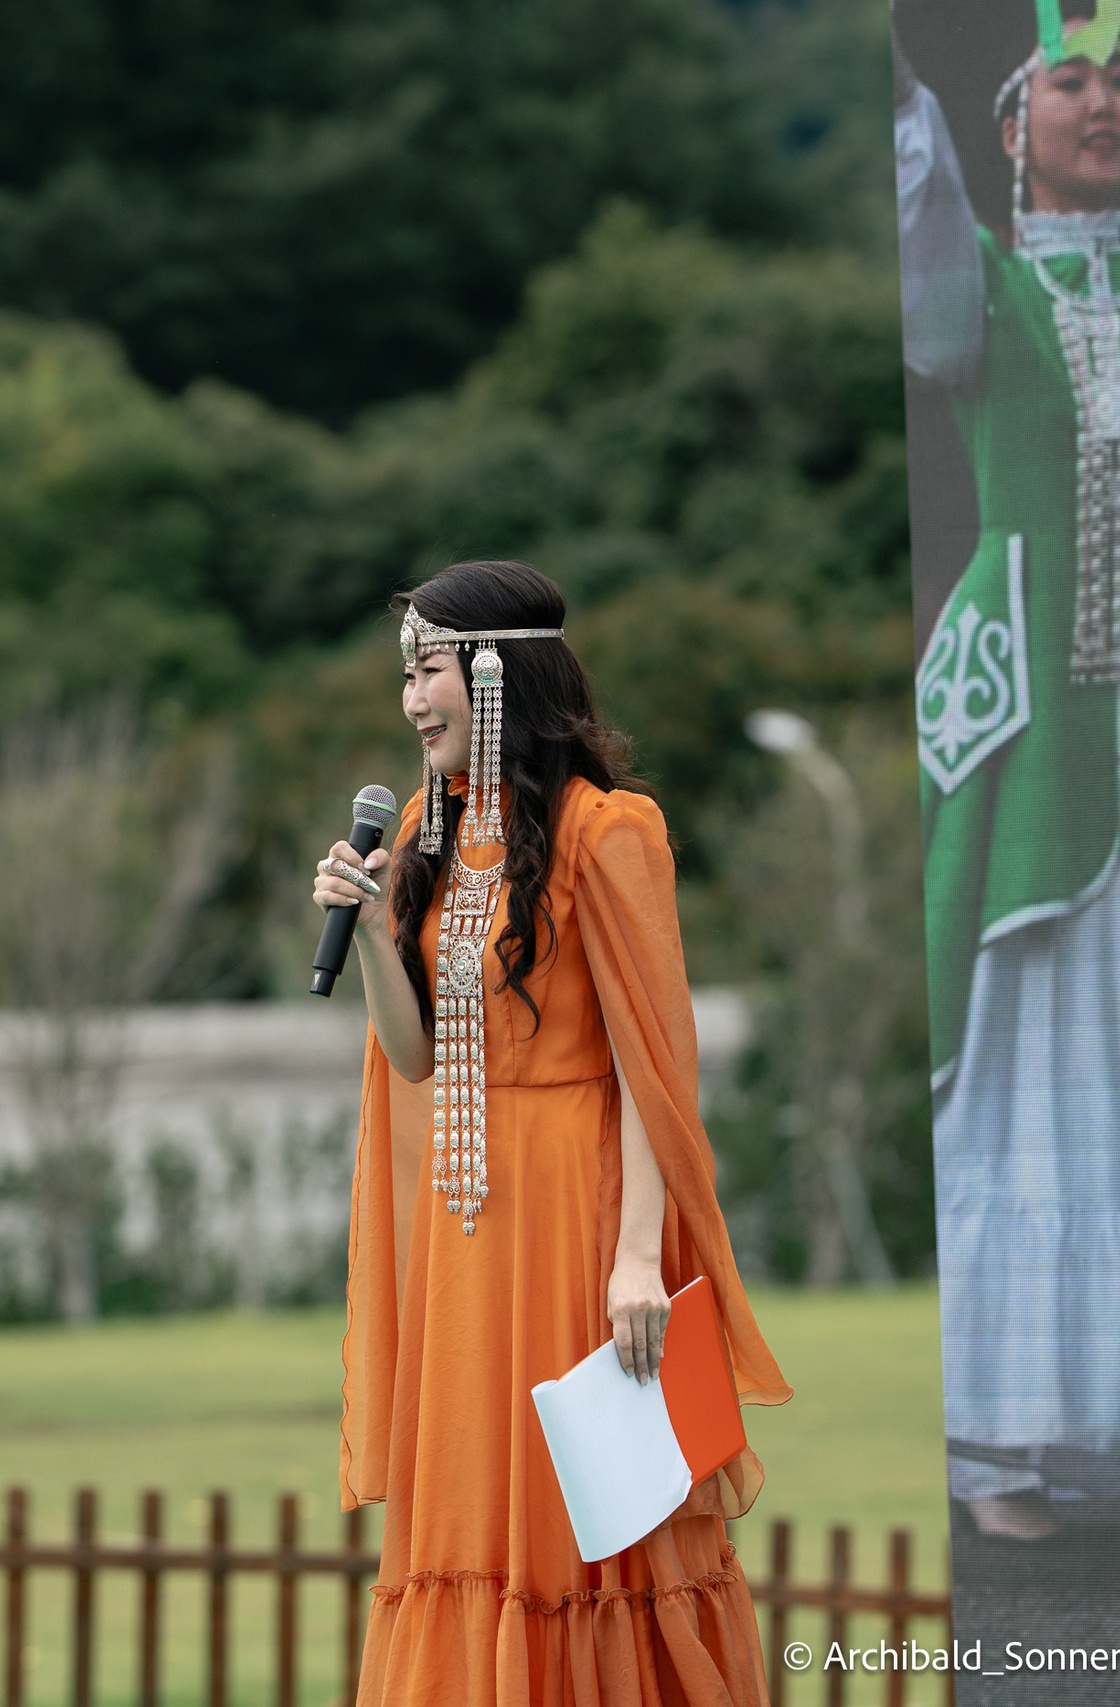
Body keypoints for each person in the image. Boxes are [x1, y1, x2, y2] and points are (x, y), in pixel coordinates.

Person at [313, 559, 790, 1704]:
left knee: (590, 1514)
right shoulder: (428, 827)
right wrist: (376, 930)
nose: (409, 700)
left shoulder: (608, 830)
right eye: (405, 674)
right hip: (464, 1240)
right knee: (472, 1511)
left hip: (578, 1222)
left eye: (425, 671)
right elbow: (416, 1056)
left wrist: (636, 1256)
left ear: (491, 676)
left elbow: (648, 1069)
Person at [896, 0, 1120, 1539]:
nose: (1105, 106)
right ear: (1016, 120)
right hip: (1026, 731)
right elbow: (922, 235)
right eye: (1072, 83)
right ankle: (998, 1438)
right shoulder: (986, 293)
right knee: (1017, 1053)